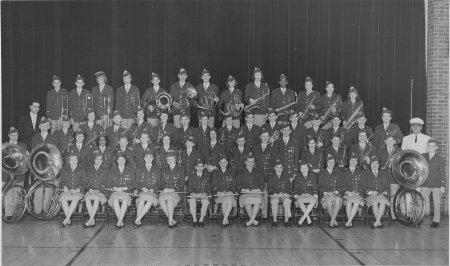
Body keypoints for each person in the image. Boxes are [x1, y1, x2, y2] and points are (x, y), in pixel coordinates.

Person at [419, 139, 446, 228]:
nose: (431, 148)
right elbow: (420, 170)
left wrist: (442, 185)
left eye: (433, 146)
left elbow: (442, 173)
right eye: (429, 146)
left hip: (436, 184)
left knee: (437, 203)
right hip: (425, 183)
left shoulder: (440, 158)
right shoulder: (423, 156)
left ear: (436, 147)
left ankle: (436, 221)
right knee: (420, 201)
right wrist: (419, 183)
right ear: (427, 147)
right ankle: (419, 218)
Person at [2, 127, 28, 219]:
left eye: (16, 135)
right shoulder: (4, 145)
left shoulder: (23, 145)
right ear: (9, 135)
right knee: (9, 194)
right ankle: (9, 214)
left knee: (18, 194)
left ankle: (17, 214)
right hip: (7, 174)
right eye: (12, 135)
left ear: (18, 135)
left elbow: (25, 158)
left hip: (19, 174)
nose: (14, 137)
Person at [159, 150, 186, 228]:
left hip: (176, 191)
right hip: (166, 191)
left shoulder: (180, 169)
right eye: (168, 159)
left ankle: (170, 221)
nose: (169, 161)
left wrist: (173, 189)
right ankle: (172, 220)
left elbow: (181, 182)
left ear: (175, 159)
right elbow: (161, 182)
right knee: (161, 198)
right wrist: (165, 188)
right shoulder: (164, 169)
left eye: (171, 159)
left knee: (170, 199)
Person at [236, 153, 265, 227]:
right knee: (247, 201)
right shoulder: (240, 172)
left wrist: (258, 189)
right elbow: (238, 184)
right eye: (249, 162)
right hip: (245, 193)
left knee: (258, 200)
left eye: (252, 162)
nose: (251, 164)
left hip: (256, 193)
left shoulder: (258, 172)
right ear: (245, 162)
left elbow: (262, 184)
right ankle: (254, 221)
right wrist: (243, 189)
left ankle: (251, 221)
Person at [134, 152, 161, 228]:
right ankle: (138, 221)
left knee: (150, 200)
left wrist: (153, 189)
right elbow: (136, 181)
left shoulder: (157, 168)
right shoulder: (139, 168)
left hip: (152, 192)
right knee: (142, 200)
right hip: (142, 191)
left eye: (150, 157)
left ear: (153, 158)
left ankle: (137, 220)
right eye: (147, 157)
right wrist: (142, 187)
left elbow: (159, 182)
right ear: (144, 158)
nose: (148, 159)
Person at [108, 154, 135, 229]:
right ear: (116, 161)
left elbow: (134, 184)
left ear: (125, 161)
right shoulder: (112, 171)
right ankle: (121, 221)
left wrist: (125, 188)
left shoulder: (130, 171)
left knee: (125, 201)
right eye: (119, 159)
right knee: (115, 200)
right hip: (115, 192)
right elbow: (108, 184)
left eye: (123, 159)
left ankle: (119, 222)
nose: (121, 161)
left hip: (126, 192)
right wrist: (115, 188)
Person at [377, 135, 401, 220]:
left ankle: (393, 216)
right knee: (383, 195)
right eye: (388, 140)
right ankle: (382, 214)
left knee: (393, 196)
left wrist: (395, 162)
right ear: (385, 142)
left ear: (394, 141)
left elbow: (402, 165)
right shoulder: (380, 151)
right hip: (383, 178)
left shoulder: (399, 151)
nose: (390, 142)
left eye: (391, 140)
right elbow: (376, 164)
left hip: (394, 177)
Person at [83, 152, 109, 227]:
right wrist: (90, 189)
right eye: (98, 159)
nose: (100, 161)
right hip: (90, 191)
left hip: (101, 192)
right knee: (87, 198)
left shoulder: (105, 169)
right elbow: (86, 182)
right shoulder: (89, 169)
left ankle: (90, 220)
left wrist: (98, 190)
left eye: (101, 159)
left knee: (96, 198)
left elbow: (106, 183)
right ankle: (92, 220)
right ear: (94, 160)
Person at [364, 155, 390, 229]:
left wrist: (385, 192)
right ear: (370, 165)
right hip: (370, 196)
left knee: (382, 201)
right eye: (372, 164)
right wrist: (371, 192)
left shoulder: (383, 174)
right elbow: (363, 187)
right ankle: (379, 222)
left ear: (378, 165)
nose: (374, 165)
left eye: (376, 164)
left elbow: (387, 187)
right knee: (376, 202)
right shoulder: (366, 174)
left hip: (381, 195)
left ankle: (376, 222)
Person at [59, 154, 85, 227]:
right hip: (67, 191)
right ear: (69, 161)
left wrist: (77, 189)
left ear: (77, 161)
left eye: (75, 160)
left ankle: (66, 219)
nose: (73, 161)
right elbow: (62, 181)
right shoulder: (64, 169)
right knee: (63, 198)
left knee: (75, 198)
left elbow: (84, 182)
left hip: (78, 192)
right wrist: (64, 187)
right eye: (71, 160)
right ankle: (68, 219)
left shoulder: (82, 169)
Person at [211, 155, 237, 227]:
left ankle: (224, 220)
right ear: (219, 163)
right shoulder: (215, 173)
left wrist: (230, 191)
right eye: (221, 162)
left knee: (228, 200)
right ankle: (226, 220)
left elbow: (234, 184)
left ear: (227, 163)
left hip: (229, 194)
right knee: (226, 200)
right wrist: (218, 192)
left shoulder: (231, 172)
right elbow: (213, 185)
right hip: (220, 195)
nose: (223, 164)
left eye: (225, 162)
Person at [318, 154, 343, 228]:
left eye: (333, 162)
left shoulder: (337, 173)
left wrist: (336, 191)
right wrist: (326, 193)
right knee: (328, 201)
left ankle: (332, 221)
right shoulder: (322, 173)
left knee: (338, 199)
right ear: (326, 163)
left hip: (335, 194)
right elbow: (319, 187)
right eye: (329, 162)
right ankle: (334, 221)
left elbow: (340, 186)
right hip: (326, 195)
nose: (331, 164)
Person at [341, 153, 365, 228]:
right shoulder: (344, 172)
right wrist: (347, 192)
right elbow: (342, 185)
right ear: (349, 161)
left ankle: (348, 222)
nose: (353, 162)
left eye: (355, 161)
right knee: (348, 202)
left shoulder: (360, 172)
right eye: (352, 160)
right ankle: (350, 222)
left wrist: (358, 192)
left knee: (356, 202)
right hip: (348, 194)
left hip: (357, 194)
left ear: (357, 162)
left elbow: (363, 185)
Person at [267, 160, 292, 228]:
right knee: (274, 201)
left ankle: (286, 221)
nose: (279, 169)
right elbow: (269, 188)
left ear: (282, 168)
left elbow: (289, 187)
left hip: (284, 194)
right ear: (274, 168)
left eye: (280, 167)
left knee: (287, 201)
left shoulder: (286, 176)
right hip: (275, 195)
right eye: (277, 167)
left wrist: (286, 193)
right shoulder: (271, 176)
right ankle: (274, 221)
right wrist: (275, 193)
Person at [187, 159, 211, 228]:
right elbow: (189, 188)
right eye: (198, 166)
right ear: (195, 167)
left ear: (203, 167)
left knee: (206, 201)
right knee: (192, 200)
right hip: (194, 194)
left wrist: (205, 193)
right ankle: (194, 219)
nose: (200, 168)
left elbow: (209, 188)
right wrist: (193, 194)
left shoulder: (207, 176)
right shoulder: (191, 176)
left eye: (201, 166)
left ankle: (201, 219)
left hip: (203, 195)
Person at [293, 161, 318, 226]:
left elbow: (314, 187)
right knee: (299, 201)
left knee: (314, 200)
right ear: (300, 169)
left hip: (310, 195)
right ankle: (308, 218)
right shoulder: (297, 177)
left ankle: (303, 218)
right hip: (300, 195)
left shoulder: (312, 176)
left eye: (305, 168)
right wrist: (295, 194)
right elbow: (295, 188)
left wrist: (315, 193)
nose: (304, 170)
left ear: (308, 169)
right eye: (302, 168)